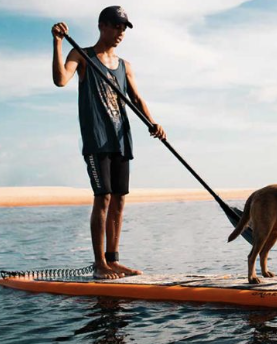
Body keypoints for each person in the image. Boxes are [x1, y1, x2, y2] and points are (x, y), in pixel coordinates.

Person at [51, 6, 166, 279]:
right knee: (102, 198)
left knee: (119, 200)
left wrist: (153, 123)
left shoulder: (126, 66)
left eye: (124, 28)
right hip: (97, 139)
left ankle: (114, 260)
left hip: (121, 138)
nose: (121, 33)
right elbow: (60, 80)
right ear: (102, 25)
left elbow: (136, 98)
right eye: (117, 26)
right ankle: (99, 263)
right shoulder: (82, 55)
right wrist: (57, 43)